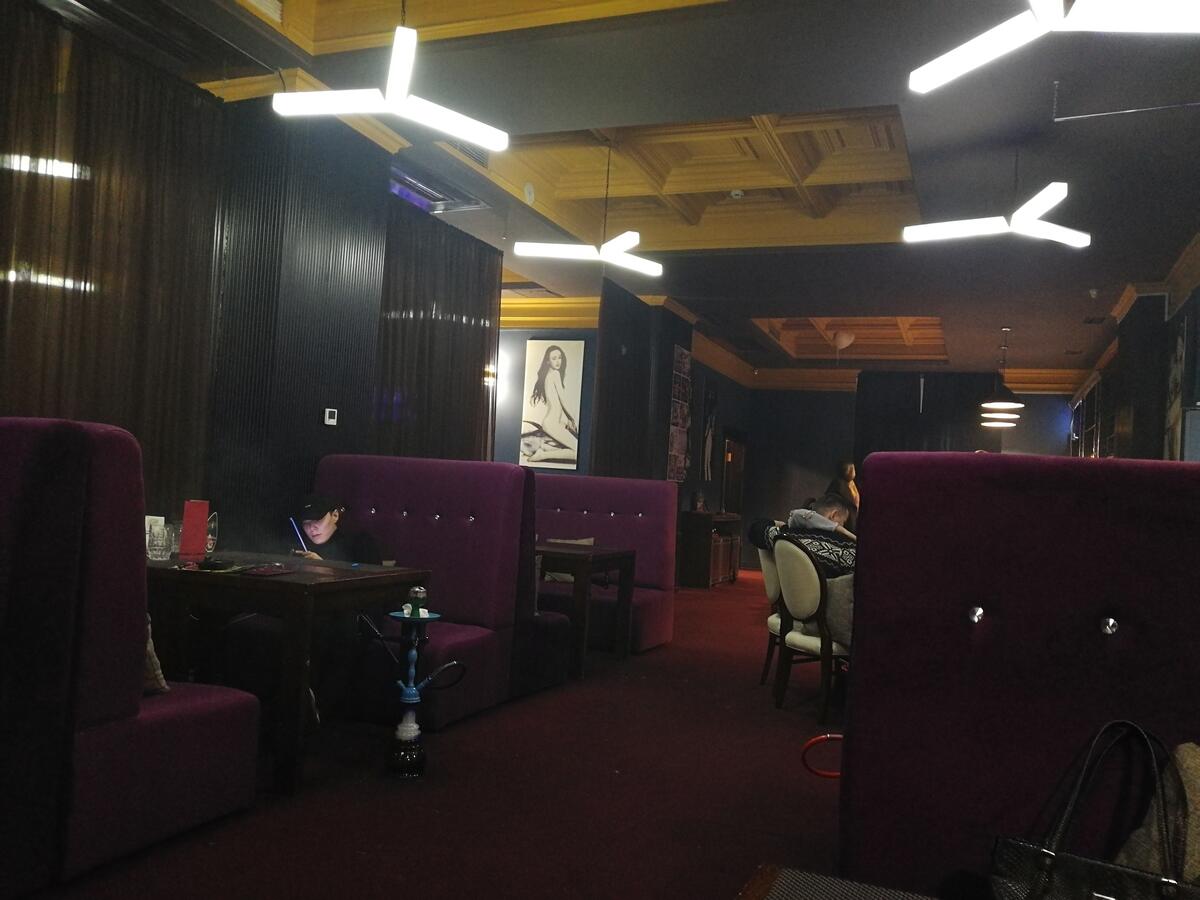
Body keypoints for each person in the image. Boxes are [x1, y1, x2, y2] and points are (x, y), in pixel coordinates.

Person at [523, 345, 578, 463]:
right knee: (577, 452)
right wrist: (573, 418)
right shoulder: (555, 374)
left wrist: (566, 420)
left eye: (560, 357)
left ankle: (545, 449)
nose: (558, 361)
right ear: (547, 361)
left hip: (552, 422)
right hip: (551, 423)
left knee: (574, 449)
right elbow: (563, 399)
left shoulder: (549, 374)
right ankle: (543, 455)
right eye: (554, 358)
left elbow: (556, 404)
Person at [292, 494, 382, 564]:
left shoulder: (360, 543)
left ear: (335, 515)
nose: (311, 527)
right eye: (306, 522)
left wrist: (324, 568)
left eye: (317, 519)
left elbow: (373, 577)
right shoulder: (299, 546)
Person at [824, 460, 860, 532]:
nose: (852, 472)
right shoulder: (838, 482)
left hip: (854, 510)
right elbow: (830, 495)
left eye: (853, 469)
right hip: (844, 511)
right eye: (850, 470)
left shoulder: (852, 483)